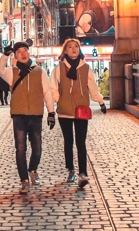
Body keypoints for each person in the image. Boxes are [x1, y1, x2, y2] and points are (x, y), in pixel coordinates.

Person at [0, 41, 56, 193]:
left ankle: (33, 169)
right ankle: (24, 180)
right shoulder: (12, 72)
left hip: (36, 115)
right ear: (15, 55)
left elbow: (47, 92)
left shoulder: (39, 71)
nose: (23, 53)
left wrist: (51, 112)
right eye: (19, 52)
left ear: (29, 52)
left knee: (37, 148)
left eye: (25, 50)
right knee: (20, 149)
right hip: (19, 116)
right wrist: (5, 55)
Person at [52, 38, 107, 188]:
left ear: (79, 49)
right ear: (65, 51)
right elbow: (53, 88)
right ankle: (70, 170)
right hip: (64, 111)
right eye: (69, 47)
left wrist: (100, 101)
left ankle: (83, 173)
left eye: (76, 46)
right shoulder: (59, 68)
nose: (73, 49)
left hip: (81, 109)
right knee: (68, 142)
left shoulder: (86, 68)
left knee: (81, 142)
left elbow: (92, 87)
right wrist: (56, 101)